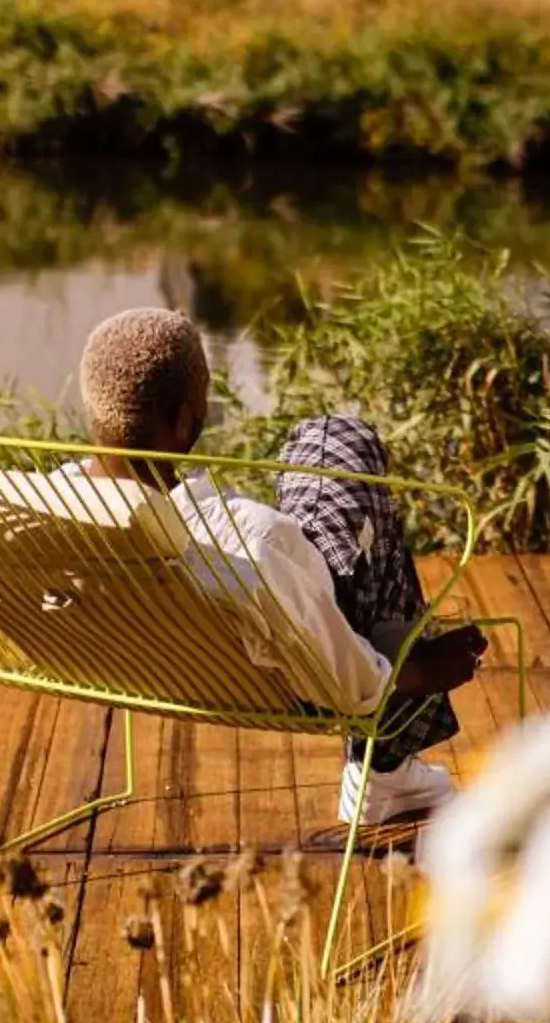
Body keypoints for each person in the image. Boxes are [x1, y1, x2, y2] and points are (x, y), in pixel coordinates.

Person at [74, 308, 481, 827]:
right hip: (281, 674)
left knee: (336, 459)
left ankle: (391, 771)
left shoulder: (41, 510)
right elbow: (343, 682)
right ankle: (385, 767)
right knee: (338, 442)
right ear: (184, 422)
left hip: (139, 660)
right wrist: (423, 669)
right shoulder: (246, 540)